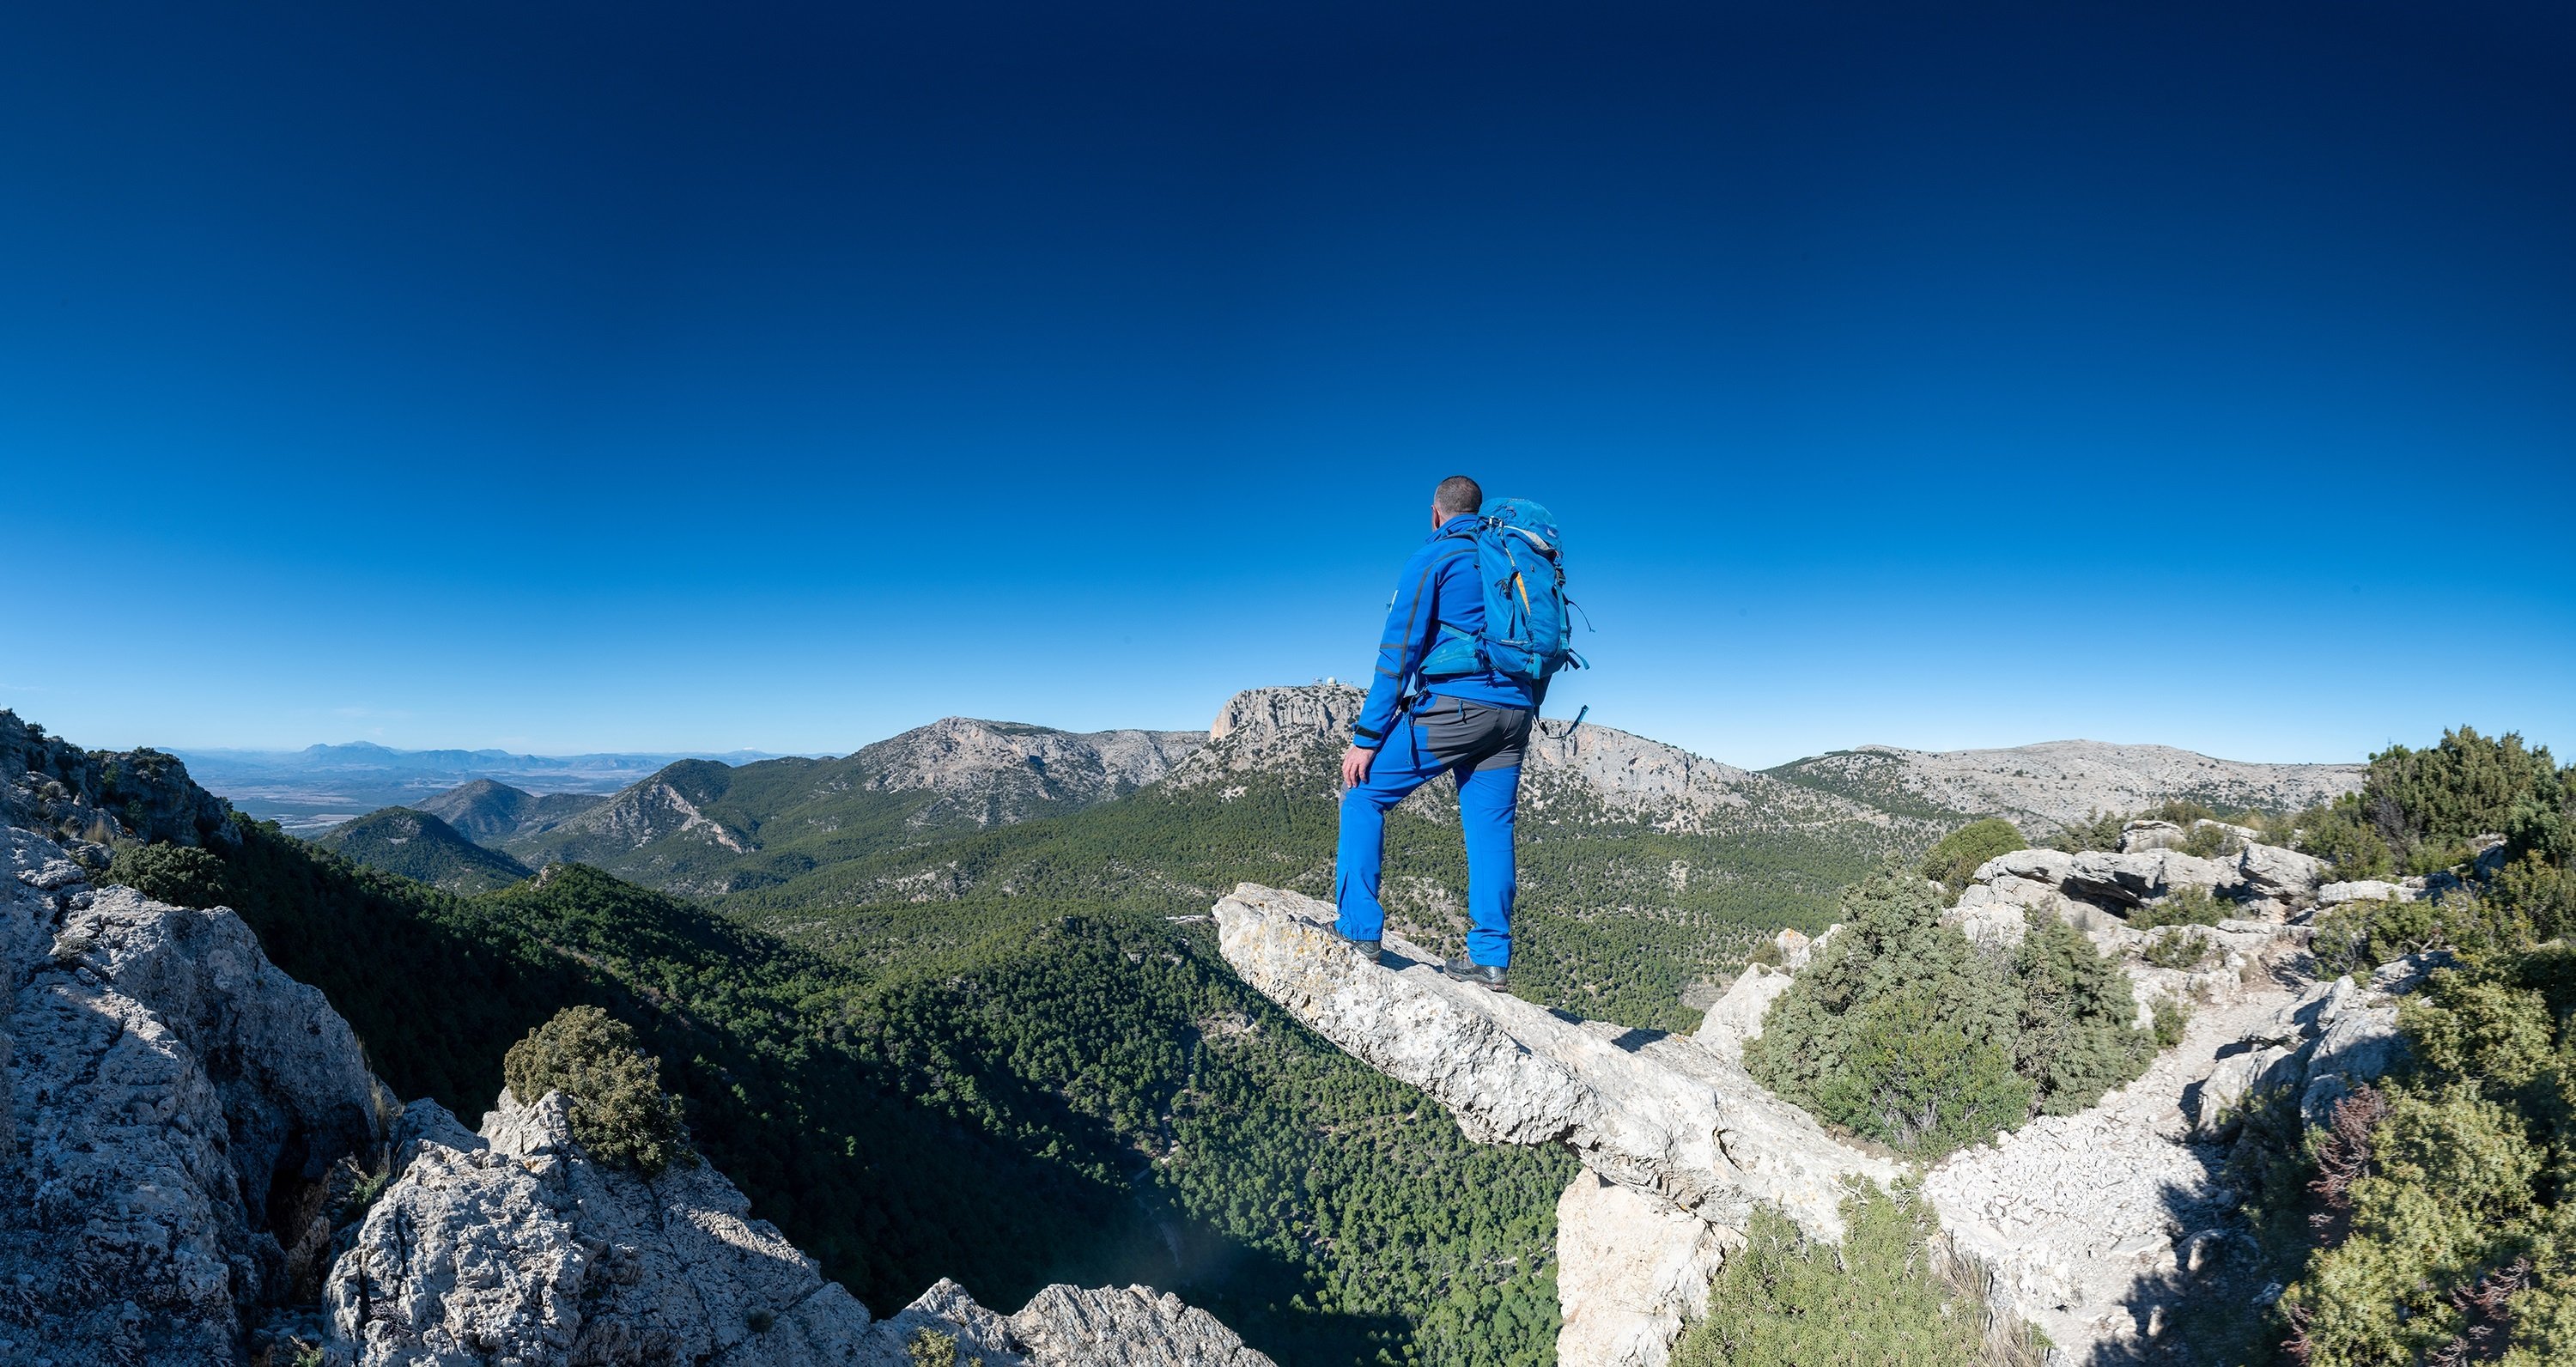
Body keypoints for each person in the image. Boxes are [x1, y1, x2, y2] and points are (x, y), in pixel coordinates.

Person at [1332, 474, 1534, 989]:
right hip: (1514, 714)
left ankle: (1359, 931)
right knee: (1491, 832)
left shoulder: (1435, 557)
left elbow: (1397, 654)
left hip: (1456, 708)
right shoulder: (1509, 557)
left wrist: (1366, 738)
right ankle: (1490, 958)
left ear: (1435, 513)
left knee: (1362, 795)